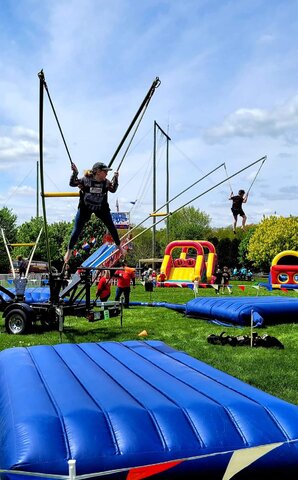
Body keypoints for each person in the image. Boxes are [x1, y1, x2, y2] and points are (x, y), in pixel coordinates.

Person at [64, 162, 126, 262]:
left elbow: (113, 189)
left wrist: (116, 178)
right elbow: (72, 183)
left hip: (101, 208)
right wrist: (75, 172)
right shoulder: (85, 180)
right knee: (77, 229)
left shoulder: (106, 182)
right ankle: (69, 251)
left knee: (111, 226)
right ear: (97, 172)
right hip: (86, 207)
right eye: (105, 171)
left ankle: (119, 247)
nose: (107, 173)